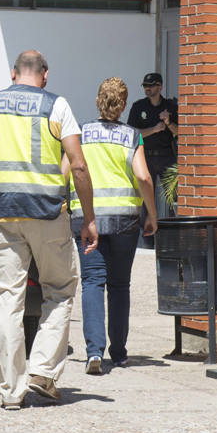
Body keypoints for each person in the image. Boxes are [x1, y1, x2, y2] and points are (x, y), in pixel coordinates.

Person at [0, 49, 96, 409]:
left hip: (2, 215)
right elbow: (79, 166)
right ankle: (42, 370)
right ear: (45, 74)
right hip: (49, 214)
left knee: (8, 300)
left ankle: (10, 392)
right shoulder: (57, 106)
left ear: (12, 72)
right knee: (61, 289)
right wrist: (91, 218)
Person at [70, 77, 159, 375]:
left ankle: (93, 351)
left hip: (88, 219)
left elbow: (66, 171)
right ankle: (118, 353)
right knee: (119, 285)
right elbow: (144, 178)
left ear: (98, 100)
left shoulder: (80, 133)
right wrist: (152, 214)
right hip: (124, 221)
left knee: (92, 282)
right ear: (122, 105)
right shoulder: (133, 136)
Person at [127, 72, 178, 245]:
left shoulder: (171, 106)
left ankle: (174, 240)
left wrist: (169, 122)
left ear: (160, 86)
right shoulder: (138, 106)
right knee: (145, 200)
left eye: (151, 85)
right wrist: (154, 129)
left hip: (167, 158)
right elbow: (132, 133)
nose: (147, 89)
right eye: (145, 86)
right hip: (146, 158)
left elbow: (180, 133)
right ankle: (146, 240)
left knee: (173, 200)